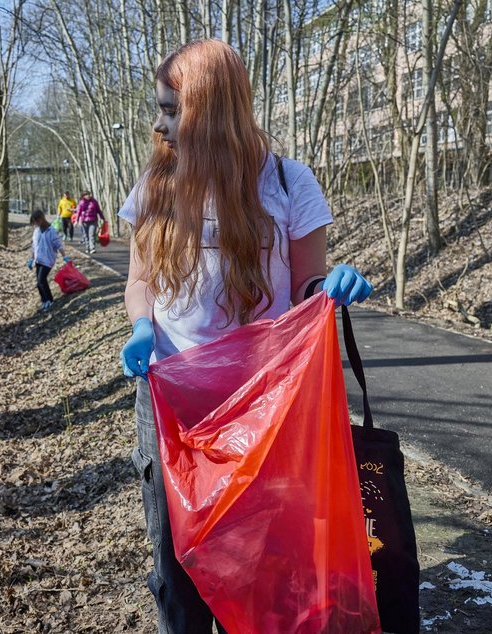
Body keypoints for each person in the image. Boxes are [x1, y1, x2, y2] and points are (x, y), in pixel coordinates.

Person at [117, 39, 373, 633]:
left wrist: (329, 289)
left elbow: (307, 286)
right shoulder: (157, 183)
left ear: (211, 109)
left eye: (172, 109)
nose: (161, 123)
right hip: (170, 400)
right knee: (177, 564)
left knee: (262, 560)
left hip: (263, 407)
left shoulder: (287, 182)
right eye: (160, 108)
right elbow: (138, 281)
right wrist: (140, 326)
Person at [28, 208, 71, 311]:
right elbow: (34, 245)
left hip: (48, 259)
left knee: (41, 280)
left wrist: (64, 256)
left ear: (41, 219)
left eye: (36, 222)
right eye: (34, 223)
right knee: (38, 283)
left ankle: (50, 300)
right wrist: (31, 258)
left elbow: (58, 244)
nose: (35, 224)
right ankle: (44, 301)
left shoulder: (51, 231)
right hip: (38, 259)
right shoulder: (36, 231)